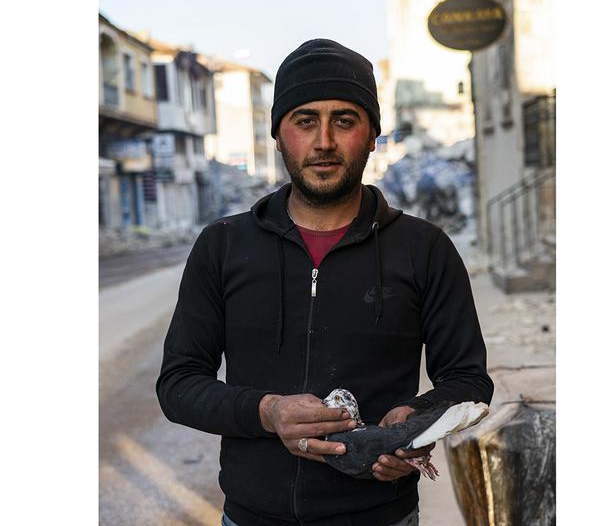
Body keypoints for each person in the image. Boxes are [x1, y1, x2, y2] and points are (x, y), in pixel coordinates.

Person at [157, 38, 493, 526]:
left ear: (372, 134)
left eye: (345, 120)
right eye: (305, 120)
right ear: (278, 134)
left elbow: (468, 379)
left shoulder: (424, 248)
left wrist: (414, 421)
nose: (324, 142)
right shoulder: (223, 245)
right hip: (251, 517)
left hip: (381, 515)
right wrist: (267, 411)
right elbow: (178, 384)